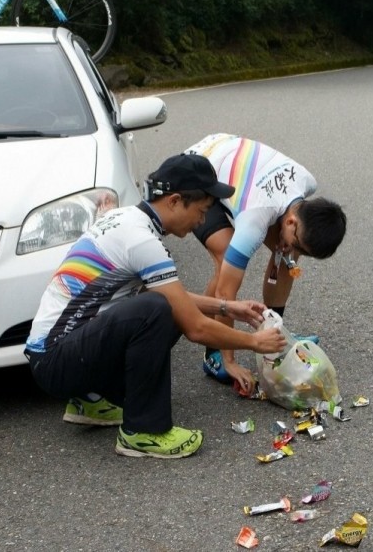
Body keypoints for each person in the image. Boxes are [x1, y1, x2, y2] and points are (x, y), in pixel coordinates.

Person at [24, 153, 286, 459]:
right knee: (156, 310)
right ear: (175, 201)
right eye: (201, 211)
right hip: (57, 362)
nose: (202, 221)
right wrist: (254, 342)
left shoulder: (125, 219)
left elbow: (171, 295)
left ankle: (92, 399)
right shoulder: (142, 241)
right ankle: (145, 430)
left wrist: (227, 307)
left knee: (159, 304)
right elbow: (194, 327)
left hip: (57, 354)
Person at [185, 133, 347, 392]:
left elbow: (289, 246)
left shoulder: (306, 181)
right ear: (292, 220)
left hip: (235, 160)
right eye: (299, 245)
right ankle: (213, 353)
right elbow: (226, 293)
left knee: (285, 255)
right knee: (225, 252)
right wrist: (231, 361)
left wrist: (290, 248)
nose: (297, 254)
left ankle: (275, 331)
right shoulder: (255, 219)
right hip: (200, 168)